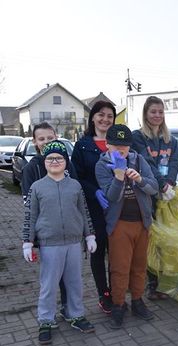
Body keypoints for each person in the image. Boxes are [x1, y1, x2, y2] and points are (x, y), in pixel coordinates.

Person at [22, 141, 96, 345]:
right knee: (49, 284)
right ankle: (46, 320)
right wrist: (27, 242)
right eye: (50, 158)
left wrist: (89, 235)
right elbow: (30, 216)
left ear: (66, 161)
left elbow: (84, 212)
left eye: (59, 158)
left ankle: (75, 314)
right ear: (44, 162)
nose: (55, 161)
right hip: (49, 244)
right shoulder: (37, 188)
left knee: (74, 282)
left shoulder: (75, 186)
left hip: (73, 243)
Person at [95, 124, 158, 329]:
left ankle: (138, 301)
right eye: (116, 146)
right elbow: (112, 197)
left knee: (139, 266)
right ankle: (118, 305)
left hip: (141, 222)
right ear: (107, 145)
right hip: (119, 224)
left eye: (125, 147)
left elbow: (153, 188)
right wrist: (119, 177)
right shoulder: (102, 165)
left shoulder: (138, 160)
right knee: (120, 268)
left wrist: (139, 179)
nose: (121, 150)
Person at [21, 122, 79, 321]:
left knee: (70, 279)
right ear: (35, 142)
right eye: (41, 139)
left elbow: (77, 194)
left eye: (50, 138)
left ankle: (69, 310)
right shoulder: (31, 169)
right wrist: (29, 239)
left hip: (70, 235)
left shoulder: (66, 163)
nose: (46, 142)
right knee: (51, 279)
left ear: (56, 137)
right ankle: (47, 317)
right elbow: (29, 206)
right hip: (47, 235)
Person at [131, 96, 178, 300]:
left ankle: (165, 282)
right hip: (147, 194)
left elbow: (175, 161)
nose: (157, 115)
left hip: (166, 195)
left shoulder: (172, 140)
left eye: (161, 112)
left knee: (165, 240)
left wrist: (169, 182)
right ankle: (152, 284)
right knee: (150, 240)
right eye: (153, 111)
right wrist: (161, 184)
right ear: (146, 113)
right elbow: (146, 162)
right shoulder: (138, 137)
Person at [71, 101, 116, 314]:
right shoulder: (82, 145)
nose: (105, 119)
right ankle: (103, 293)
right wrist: (94, 192)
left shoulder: (118, 142)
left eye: (109, 116)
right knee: (98, 251)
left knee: (116, 251)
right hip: (94, 206)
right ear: (93, 117)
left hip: (117, 206)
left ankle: (117, 290)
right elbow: (76, 176)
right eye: (101, 115)